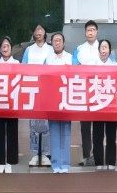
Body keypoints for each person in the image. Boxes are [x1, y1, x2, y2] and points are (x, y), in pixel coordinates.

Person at [21, 24, 54, 167]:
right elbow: (22, 68)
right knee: (33, 123)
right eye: (36, 30)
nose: (38, 32)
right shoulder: (29, 50)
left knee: (46, 124)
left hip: (46, 90)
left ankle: (46, 153)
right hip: (32, 89)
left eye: (41, 29)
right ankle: (35, 152)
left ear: (45, 32)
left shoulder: (51, 49)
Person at [45, 32, 76, 173]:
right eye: (55, 41)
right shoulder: (48, 59)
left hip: (66, 99)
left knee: (66, 131)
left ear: (64, 43)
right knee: (54, 131)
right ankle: (56, 163)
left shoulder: (70, 58)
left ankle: (65, 163)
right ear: (52, 43)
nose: (57, 43)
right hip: (52, 99)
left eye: (59, 40)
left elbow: (76, 77)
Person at [0, 36, 19, 173]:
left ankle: (10, 161)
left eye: (7, 46)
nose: (5, 48)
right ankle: (0, 161)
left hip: (12, 102)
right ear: (0, 49)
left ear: (11, 49)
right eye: (3, 46)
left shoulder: (17, 63)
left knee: (12, 132)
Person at [73, 19, 100, 167]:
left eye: (93, 30)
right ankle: (85, 155)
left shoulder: (103, 47)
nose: (90, 33)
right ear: (85, 33)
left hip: (99, 90)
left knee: (97, 125)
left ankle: (97, 155)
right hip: (83, 90)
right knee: (84, 125)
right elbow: (74, 67)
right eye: (88, 30)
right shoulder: (79, 49)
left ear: (97, 32)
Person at [91, 38, 117, 170]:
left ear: (110, 51)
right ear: (98, 50)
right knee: (97, 134)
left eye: (106, 47)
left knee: (111, 134)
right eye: (102, 47)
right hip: (97, 105)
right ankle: (98, 161)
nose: (104, 50)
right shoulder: (93, 66)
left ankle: (111, 161)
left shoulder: (115, 67)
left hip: (111, 105)